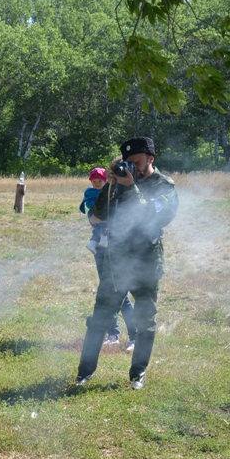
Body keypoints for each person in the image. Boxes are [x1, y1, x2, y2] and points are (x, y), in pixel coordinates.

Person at [75, 137, 178, 390]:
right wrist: (110, 186)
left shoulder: (163, 186)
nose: (132, 167)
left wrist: (130, 187)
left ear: (151, 159)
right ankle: (84, 373)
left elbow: (152, 215)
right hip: (117, 260)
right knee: (100, 317)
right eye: (127, 162)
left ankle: (138, 373)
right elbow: (98, 215)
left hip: (146, 261)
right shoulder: (119, 182)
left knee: (145, 321)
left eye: (137, 162)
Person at [81, 167, 137, 349]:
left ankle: (135, 336)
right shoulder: (97, 196)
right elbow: (93, 218)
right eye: (95, 181)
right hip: (101, 250)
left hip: (119, 250)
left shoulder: (125, 196)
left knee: (121, 294)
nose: (98, 184)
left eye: (102, 181)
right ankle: (113, 334)